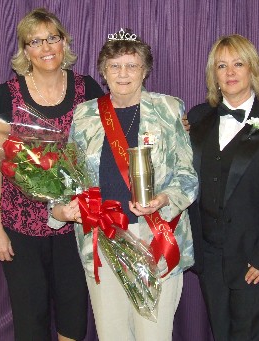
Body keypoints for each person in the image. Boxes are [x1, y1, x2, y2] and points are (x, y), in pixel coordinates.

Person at [51, 28, 198, 341]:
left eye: (132, 65)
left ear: (145, 71)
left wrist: (163, 199)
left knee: (153, 335)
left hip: (156, 235)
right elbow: (69, 175)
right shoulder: (86, 114)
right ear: (103, 71)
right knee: (112, 334)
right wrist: (61, 209)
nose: (123, 73)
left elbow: (187, 175)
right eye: (114, 66)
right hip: (104, 239)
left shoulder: (169, 109)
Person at [0, 8, 104, 341]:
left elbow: (113, 140)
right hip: (20, 227)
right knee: (30, 319)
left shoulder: (88, 88)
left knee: (73, 315)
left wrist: (166, 127)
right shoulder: (6, 94)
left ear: (64, 42)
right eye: (35, 41)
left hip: (73, 224)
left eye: (52, 37)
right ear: (25, 51)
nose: (46, 47)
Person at [186, 34, 259, 341]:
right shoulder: (197, 119)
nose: (230, 72)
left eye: (238, 64)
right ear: (213, 74)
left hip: (256, 261)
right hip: (211, 259)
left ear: (253, 69)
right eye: (221, 65)